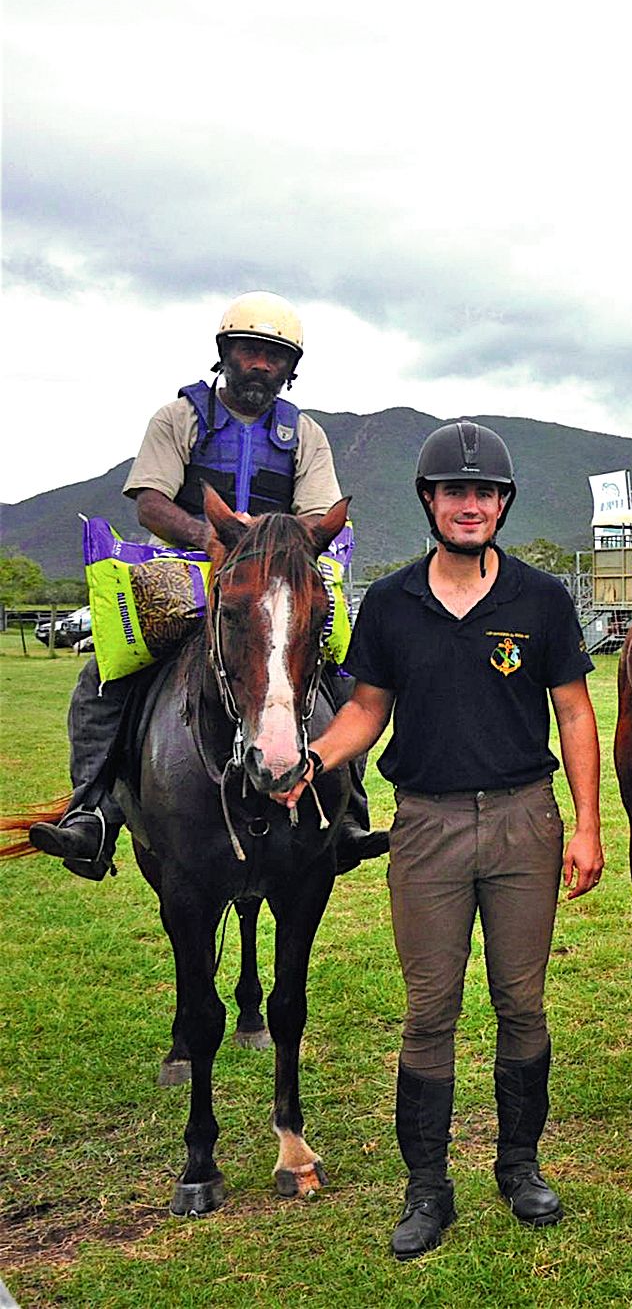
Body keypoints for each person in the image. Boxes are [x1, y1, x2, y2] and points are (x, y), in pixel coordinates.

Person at [273, 422, 605, 1257]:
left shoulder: (541, 600)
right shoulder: (390, 603)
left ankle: (519, 1166)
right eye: (454, 491)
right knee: (429, 1012)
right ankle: (427, 1189)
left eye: (484, 491)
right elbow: (365, 710)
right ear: (429, 501)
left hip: (527, 818)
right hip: (426, 826)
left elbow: (572, 712)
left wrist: (590, 826)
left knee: (520, 1004)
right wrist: (313, 758)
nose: (470, 504)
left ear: (502, 503)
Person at [31, 292, 384, 878]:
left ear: (290, 369)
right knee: (106, 671)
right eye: (249, 351)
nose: (260, 366)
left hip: (277, 576)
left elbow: (319, 513)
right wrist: (209, 535)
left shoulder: (306, 435)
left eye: (275, 358)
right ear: (226, 353)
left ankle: (345, 814)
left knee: (342, 666)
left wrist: (270, 545)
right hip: (185, 570)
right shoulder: (179, 419)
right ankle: (91, 812)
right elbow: (149, 502)